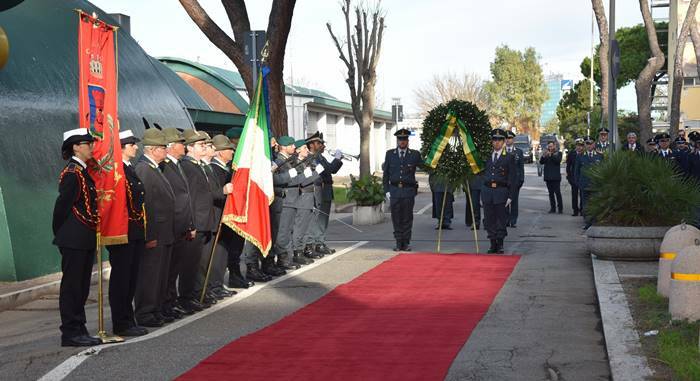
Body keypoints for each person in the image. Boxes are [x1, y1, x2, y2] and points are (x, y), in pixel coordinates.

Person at [53, 128, 100, 347]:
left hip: (83, 237)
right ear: (75, 147)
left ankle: (79, 327)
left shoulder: (82, 171)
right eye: (87, 144)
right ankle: (70, 332)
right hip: (74, 238)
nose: (91, 148)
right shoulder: (73, 173)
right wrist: (61, 234)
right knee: (72, 287)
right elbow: (61, 207)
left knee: (81, 286)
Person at [106, 130, 148, 337]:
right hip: (122, 232)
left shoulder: (129, 169)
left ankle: (128, 318)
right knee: (121, 279)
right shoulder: (116, 170)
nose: (136, 147)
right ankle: (120, 322)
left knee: (131, 278)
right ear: (122, 146)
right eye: (132, 144)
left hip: (135, 231)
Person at [133, 128, 175, 327]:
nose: (166, 151)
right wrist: (149, 234)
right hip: (155, 232)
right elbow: (146, 205)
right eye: (163, 148)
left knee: (160, 275)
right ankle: (145, 312)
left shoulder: (155, 168)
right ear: (152, 150)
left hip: (164, 231)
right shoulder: (144, 169)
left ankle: (156, 309)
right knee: (150, 275)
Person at [160, 128, 199, 315]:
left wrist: (190, 224)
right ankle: (167, 303)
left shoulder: (177, 165)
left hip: (182, 224)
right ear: (170, 147)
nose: (183, 146)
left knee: (175, 268)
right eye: (180, 143)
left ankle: (172, 301)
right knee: (168, 271)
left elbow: (186, 196)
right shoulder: (165, 166)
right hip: (172, 225)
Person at [179, 129, 216, 307]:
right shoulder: (188, 166)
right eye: (200, 145)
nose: (204, 147)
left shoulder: (198, 165)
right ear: (190, 147)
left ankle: (197, 293)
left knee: (199, 263)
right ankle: (187, 296)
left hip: (204, 220)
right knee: (190, 264)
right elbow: (191, 198)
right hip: (197, 221)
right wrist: (191, 223)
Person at [382, 128, 422, 251]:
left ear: (408, 141)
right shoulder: (390, 154)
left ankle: (406, 242)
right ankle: (399, 242)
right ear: (397, 140)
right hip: (394, 190)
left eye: (404, 139)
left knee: (407, 217)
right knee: (396, 217)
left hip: (408, 191)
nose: (402, 142)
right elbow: (386, 174)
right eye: (400, 139)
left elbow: (425, 165)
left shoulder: (414, 154)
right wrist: (386, 190)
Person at [305, 132, 343, 256]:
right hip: (318, 190)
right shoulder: (311, 158)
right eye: (319, 143)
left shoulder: (320, 157)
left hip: (326, 189)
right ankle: (314, 243)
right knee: (316, 218)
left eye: (322, 143)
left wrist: (338, 160)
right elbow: (328, 169)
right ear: (311, 145)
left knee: (323, 218)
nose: (322, 145)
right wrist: (337, 159)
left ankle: (320, 242)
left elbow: (332, 169)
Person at [481, 128, 518, 254]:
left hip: (501, 191)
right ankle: (492, 243)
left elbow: (513, 178)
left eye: (500, 140)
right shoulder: (486, 156)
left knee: (501, 219)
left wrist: (511, 196)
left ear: (504, 141)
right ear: (491, 141)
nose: (497, 142)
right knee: (489, 218)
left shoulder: (509, 157)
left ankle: (500, 243)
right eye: (494, 140)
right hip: (487, 191)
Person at [574, 136, 603, 229]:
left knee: (595, 203)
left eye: (591, 143)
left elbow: (603, 170)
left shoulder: (599, 155)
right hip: (584, 184)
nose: (589, 145)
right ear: (585, 145)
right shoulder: (580, 156)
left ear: (594, 144)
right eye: (587, 143)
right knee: (585, 204)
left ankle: (594, 221)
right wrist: (578, 183)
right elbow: (576, 171)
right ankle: (587, 222)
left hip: (595, 184)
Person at [504, 131, 525, 228]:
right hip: (504, 181)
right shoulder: (502, 151)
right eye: (506, 138)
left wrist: (521, 180)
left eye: (510, 138)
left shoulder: (518, 152)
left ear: (513, 139)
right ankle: (506, 220)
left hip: (515, 181)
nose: (508, 140)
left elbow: (521, 167)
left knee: (514, 202)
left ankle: (513, 220)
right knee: (504, 201)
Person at [540, 141, 563, 214]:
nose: (550, 148)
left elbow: (558, 161)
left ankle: (560, 208)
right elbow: (541, 162)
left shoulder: (558, 153)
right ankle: (552, 208)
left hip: (556, 177)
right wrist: (543, 156)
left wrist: (551, 155)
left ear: (554, 146)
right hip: (548, 177)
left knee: (557, 193)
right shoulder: (546, 153)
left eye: (551, 146)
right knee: (551, 193)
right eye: (549, 146)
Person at [566, 138, 584, 216]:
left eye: (581, 145)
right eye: (578, 145)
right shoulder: (571, 153)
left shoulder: (585, 153)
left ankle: (582, 209)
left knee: (583, 194)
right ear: (575, 146)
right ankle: (575, 210)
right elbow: (568, 166)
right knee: (574, 194)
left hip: (583, 177)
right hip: (573, 177)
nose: (579, 147)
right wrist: (569, 177)